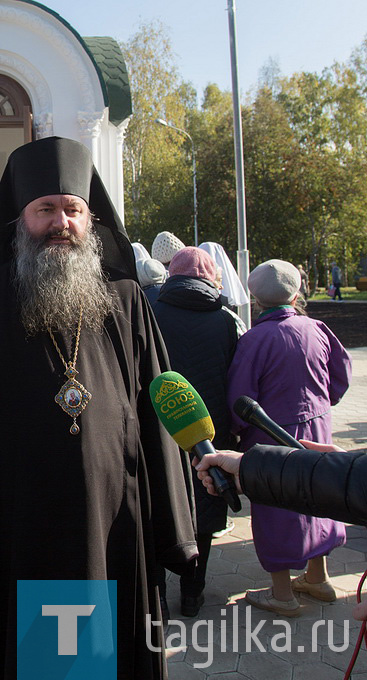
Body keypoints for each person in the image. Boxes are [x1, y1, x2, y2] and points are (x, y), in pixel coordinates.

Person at [0, 137, 197, 680]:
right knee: (44, 666)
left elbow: (157, 412)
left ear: (91, 221)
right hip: (21, 529)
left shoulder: (128, 300)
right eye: (45, 210)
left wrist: (174, 529)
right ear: (20, 222)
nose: (60, 222)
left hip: (116, 527)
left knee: (110, 663)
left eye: (72, 209)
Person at [227, 258, 352, 616]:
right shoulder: (317, 328)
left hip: (269, 433)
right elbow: (339, 377)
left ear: (257, 299)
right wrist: (320, 406)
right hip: (317, 428)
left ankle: (282, 594)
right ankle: (318, 578)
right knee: (319, 496)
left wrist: (237, 432)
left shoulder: (254, 339)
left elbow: (240, 397)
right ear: (296, 293)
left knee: (275, 508)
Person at [151, 246, 241, 616]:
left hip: (160, 425)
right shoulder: (225, 319)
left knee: (156, 504)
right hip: (210, 429)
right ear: (211, 276)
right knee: (204, 506)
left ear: (171, 273)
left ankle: (156, 596)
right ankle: (193, 593)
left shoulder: (151, 311)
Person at [194, 443, 367, 623]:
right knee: (311, 523)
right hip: (294, 460)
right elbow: (349, 481)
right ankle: (316, 580)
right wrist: (249, 468)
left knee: (276, 525)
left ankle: (283, 595)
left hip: (281, 452)